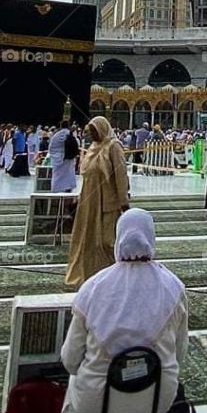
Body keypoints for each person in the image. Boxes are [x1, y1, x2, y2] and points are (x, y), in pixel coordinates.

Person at [54, 209, 188, 413]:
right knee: (153, 404)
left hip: (98, 401)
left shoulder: (93, 288)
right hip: (155, 397)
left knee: (76, 407)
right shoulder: (173, 287)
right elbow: (179, 354)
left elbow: (70, 359)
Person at [65, 116, 130, 288]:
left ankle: (112, 279)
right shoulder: (93, 147)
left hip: (107, 201)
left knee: (106, 242)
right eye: (90, 131)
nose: (91, 134)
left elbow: (121, 174)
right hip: (89, 203)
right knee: (87, 239)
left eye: (94, 131)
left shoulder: (113, 147)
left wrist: (123, 200)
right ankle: (89, 276)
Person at [49, 122, 78, 193]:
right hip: (68, 158)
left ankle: (56, 190)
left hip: (57, 159)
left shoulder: (56, 136)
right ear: (68, 126)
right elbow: (76, 144)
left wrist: (56, 155)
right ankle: (68, 189)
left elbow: (51, 148)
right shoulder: (70, 134)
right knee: (69, 174)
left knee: (57, 175)